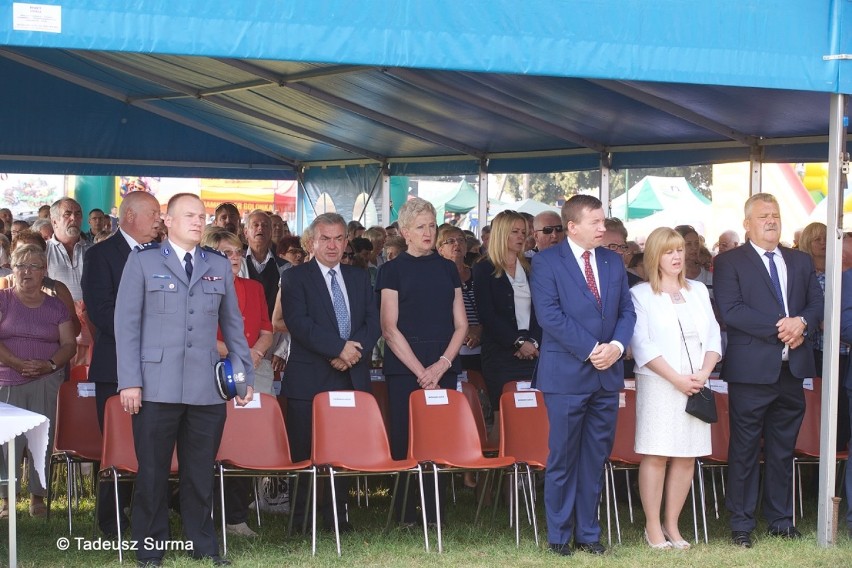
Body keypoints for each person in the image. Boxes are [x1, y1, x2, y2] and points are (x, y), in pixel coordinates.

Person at [116, 193, 254, 566]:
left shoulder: (218, 264)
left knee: (199, 473)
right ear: (169, 221)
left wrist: (242, 377)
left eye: (202, 215)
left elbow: (234, 326)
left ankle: (204, 546)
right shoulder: (142, 261)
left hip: (204, 388)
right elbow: (125, 325)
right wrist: (130, 380)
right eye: (190, 215)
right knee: (153, 472)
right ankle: (150, 548)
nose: (198, 221)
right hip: (155, 384)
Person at [714, 193, 823, 548]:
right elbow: (731, 311)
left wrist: (803, 322)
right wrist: (784, 326)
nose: (771, 221)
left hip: (792, 371)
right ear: (747, 224)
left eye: (775, 214)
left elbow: (816, 302)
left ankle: (780, 519)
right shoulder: (730, 262)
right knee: (744, 449)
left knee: (782, 449)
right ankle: (741, 524)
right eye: (763, 216)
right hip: (751, 373)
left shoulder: (801, 260)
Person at [530, 194, 635, 556]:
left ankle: (588, 534)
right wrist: (594, 349)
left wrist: (617, 348)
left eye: (604, 221)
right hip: (566, 374)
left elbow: (627, 311)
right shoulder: (546, 262)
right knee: (563, 457)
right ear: (572, 227)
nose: (603, 228)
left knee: (595, 457)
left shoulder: (612, 261)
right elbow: (549, 316)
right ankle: (559, 536)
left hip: (606, 375)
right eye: (596, 222)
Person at [280, 212, 380, 532]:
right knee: (304, 452)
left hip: (349, 376)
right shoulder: (296, 277)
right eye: (326, 238)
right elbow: (298, 323)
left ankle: (339, 518)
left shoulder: (359, 277)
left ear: (346, 241)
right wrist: (338, 349)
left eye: (339, 238)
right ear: (312, 241)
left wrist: (351, 354)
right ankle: (301, 521)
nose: (333, 245)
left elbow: (372, 322)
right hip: (309, 378)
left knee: (342, 452)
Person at [375, 197, 467, 523]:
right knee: (404, 436)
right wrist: (421, 371)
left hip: (443, 365)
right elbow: (389, 328)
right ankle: (403, 511)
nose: (428, 232)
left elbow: (462, 324)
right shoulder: (390, 270)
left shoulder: (447, 268)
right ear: (405, 232)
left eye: (432, 225)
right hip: (405, 368)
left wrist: (441, 365)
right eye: (420, 227)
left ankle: (435, 512)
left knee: (439, 437)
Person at [629, 227, 721, 549]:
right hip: (659, 383)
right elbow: (642, 344)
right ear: (655, 255)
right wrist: (677, 379)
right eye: (669, 251)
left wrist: (703, 373)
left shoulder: (698, 291)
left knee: (687, 457)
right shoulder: (640, 295)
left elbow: (713, 337)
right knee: (656, 454)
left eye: (680, 250)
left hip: (696, 381)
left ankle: (673, 525)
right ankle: (653, 527)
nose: (677, 256)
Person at [82, 189, 161, 538]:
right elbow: (101, 311)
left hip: (159, 368)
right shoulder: (101, 255)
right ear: (130, 216)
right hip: (115, 367)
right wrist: (153, 325)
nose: (160, 221)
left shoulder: (162, 254)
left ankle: (148, 516)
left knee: (153, 444)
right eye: (154, 214)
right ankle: (112, 521)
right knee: (117, 446)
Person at [201, 227, 273, 538]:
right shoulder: (201, 288)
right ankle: (202, 509)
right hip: (214, 373)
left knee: (246, 441)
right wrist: (236, 352)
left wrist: (255, 352)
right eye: (225, 253)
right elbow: (199, 333)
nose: (234, 257)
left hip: (253, 369)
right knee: (213, 443)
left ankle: (236, 516)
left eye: (236, 252)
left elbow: (268, 330)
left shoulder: (254, 287)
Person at [0, 244, 76, 519]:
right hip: (7, 378)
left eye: (34, 266)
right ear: (13, 269)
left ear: (44, 272)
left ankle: (37, 497)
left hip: (46, 379)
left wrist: (50, 364)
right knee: (7, 443)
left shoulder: (55, 305)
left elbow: (69, 344)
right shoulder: (3, 299)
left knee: (40, 439)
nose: (27, 271)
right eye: (21, 265)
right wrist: (17, 363)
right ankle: (8, 500)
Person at [473, 210, 541, 447]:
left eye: (523, 232)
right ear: (501, 233)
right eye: (515, 232)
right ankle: (494, 480)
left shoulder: (533, 266)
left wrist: (533, 343)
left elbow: (542, 311)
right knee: (504, 418)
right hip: (501, 354)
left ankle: (529, 474)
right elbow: (487, 314)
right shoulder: (483, 269)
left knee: (532, 415)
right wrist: (518, 343)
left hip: (533, 351)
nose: (521, 237)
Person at [798, 222, 851, 450]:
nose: (822, 243)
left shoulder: (841, 275)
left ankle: (836, 457)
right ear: (807, 243)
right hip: (816, 350)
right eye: (817, 239)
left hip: (843, 350)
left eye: (825, 239)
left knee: (841, 408)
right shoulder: (805, 275)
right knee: (817, 407)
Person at [437, 225, 481, 372]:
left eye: (461, 240)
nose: (457, 244)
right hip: (450, 350)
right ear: (440, 249)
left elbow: (490, 307)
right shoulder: (437, 277)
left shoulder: (478, 274)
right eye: (450, 241)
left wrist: (479, 330)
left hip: (481, 348)